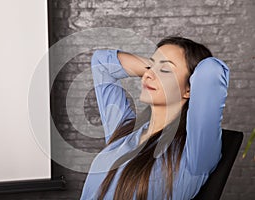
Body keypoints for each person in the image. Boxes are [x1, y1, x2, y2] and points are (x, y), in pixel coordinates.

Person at [80, 36, 229, 200]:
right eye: (149, 67)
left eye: (165, 70)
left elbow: (211, 71)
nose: (148, 74)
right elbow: (101, 63)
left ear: (190, 89)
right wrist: (156, 69)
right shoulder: (124, 131)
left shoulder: (194, 156)